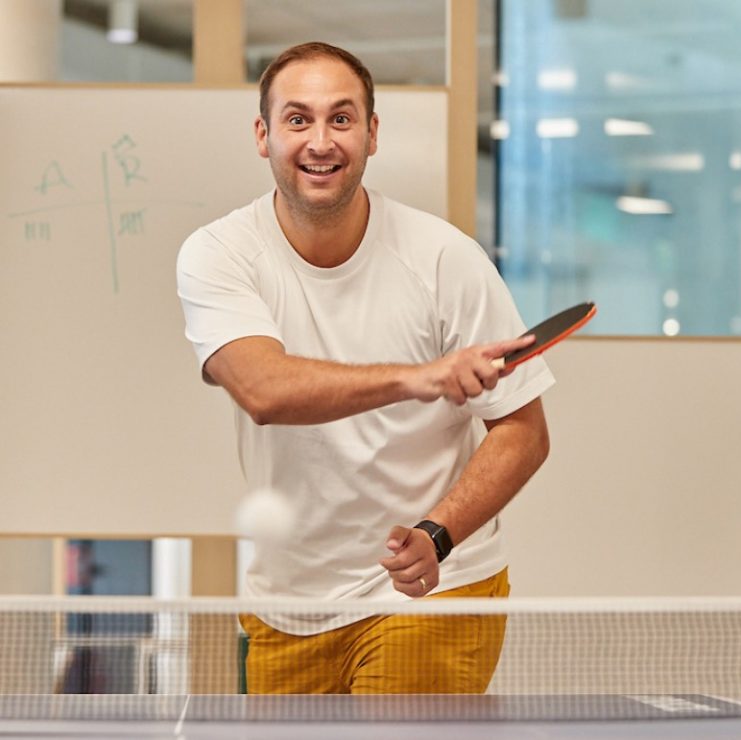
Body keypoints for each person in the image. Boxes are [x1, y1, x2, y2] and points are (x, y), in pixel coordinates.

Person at [177, 41, 554, 695]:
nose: (321, 141)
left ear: (372, 134)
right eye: (298, 119)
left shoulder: (446, 259)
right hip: (288, 606)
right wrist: (419, 377)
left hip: (429, 591)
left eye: (342, 118)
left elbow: (523, 431)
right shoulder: (219, 255)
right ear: (263, 135)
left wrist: (439, 533)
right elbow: (263, 389)